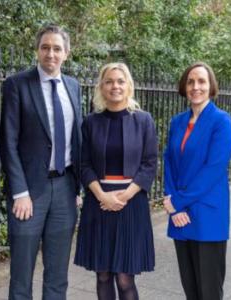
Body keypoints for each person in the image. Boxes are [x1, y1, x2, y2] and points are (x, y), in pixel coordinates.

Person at [0, 24, 82, 300]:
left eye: (57, 48)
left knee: (58, 275)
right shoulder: (17, 84)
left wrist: (78, 188)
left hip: (65, 188)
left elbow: (78, 139)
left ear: (67, 54)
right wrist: (19, 192)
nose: (51, 53)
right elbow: (7, 142)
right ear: (37, 50)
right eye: (45, 47)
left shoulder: (73, 86)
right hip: (29, 194)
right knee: (22, 275)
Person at [74, 62, 157, 300]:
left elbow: (149, 163)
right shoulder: (91, 122)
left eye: (120, 81)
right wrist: (103, 196)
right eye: (109, 81)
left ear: (128, 85)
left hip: (131, 204)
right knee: (102, 274)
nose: (115, 86)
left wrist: (123, 196)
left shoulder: (143, 120)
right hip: (98, 203)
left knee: (124, 277)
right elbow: (84, 164)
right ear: (101, 86)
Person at [163, 62, 231, 300]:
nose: (196, 87)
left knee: (209, 290)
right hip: (180, 215)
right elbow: (169, 163)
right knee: (190, 288)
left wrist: (177, 202)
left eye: (202, 81)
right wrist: (173, 206)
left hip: (207, 215)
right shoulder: (177, 122)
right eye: (191, 81)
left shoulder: (221, 122)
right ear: (184, 86)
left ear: (211, 86)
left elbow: (213, 170)